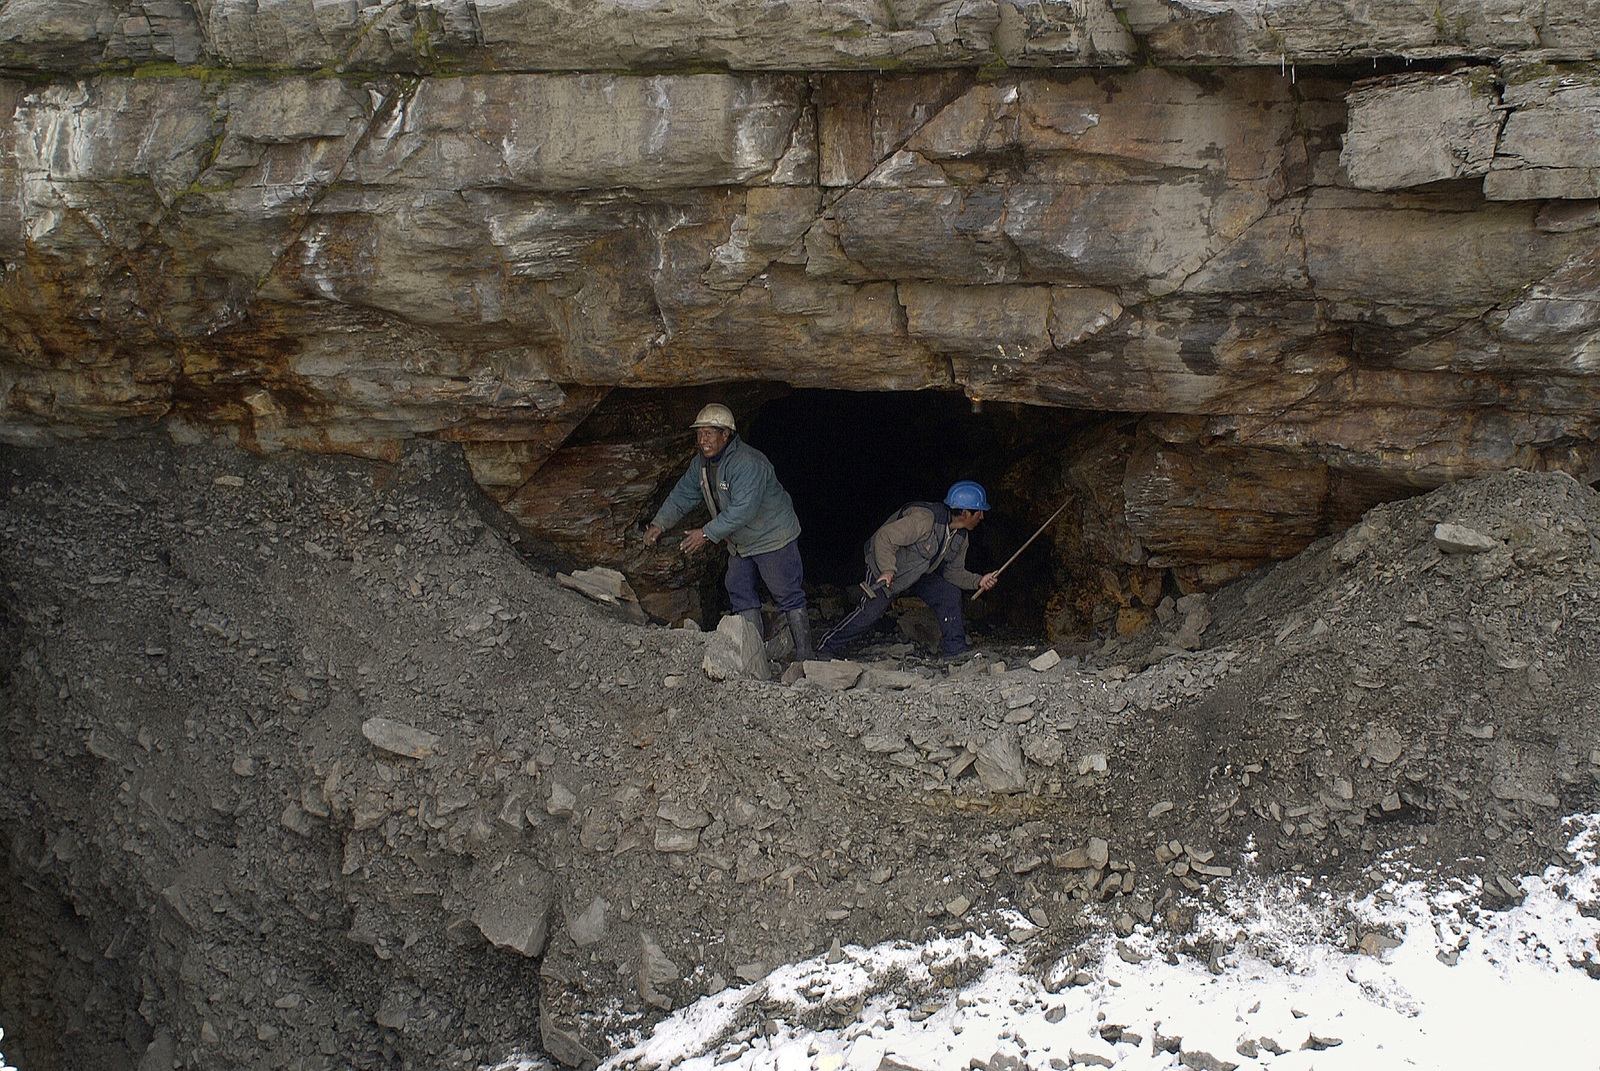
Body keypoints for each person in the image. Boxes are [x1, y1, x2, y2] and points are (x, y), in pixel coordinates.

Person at [644, 404, 813, 661]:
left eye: (710, 434)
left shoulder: (748, 463)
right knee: (738, 588)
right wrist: (659, 524)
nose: (703, 441)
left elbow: (743, 510)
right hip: (741, 542)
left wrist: (706, 533)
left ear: (726, 434)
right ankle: (754, 657)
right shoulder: (701, 464)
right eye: (700, 434)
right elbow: (682, 495)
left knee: (786, 593)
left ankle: (805, 657)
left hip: (772, 537)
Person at [816, 481, 999, 660]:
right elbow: (884, 537)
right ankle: (827, 646)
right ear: (966, 513)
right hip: (885, 566)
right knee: (869, 614)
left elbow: (953, 573)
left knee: (948, 593)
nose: (982, 517)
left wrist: (979, 581)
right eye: (980, 512)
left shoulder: (961, 536)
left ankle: (956, 651)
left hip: (917, 574)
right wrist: (887, 569)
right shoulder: (924, 520)